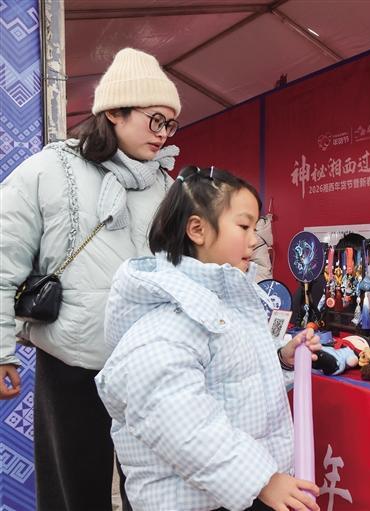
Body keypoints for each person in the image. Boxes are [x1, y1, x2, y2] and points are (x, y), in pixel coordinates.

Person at [0, 47, 181, 510]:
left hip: (148, 369)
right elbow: (2, 261)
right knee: (73, 495)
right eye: (154, 119)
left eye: (170, 124)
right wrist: (1, 353)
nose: (162, 134)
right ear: (115, 112)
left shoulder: (167, 186)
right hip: (72, 366)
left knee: (156, 494)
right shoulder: (48, 170)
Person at [95, 165, 322, 511]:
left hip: (231, 494)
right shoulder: (167, 321)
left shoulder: (222, 303)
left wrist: (281, 358)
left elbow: (234, 380)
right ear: (198, 230)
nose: (254, 240)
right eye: (244, 226)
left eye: (256, 228)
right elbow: (184, 428)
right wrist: (261, 479)